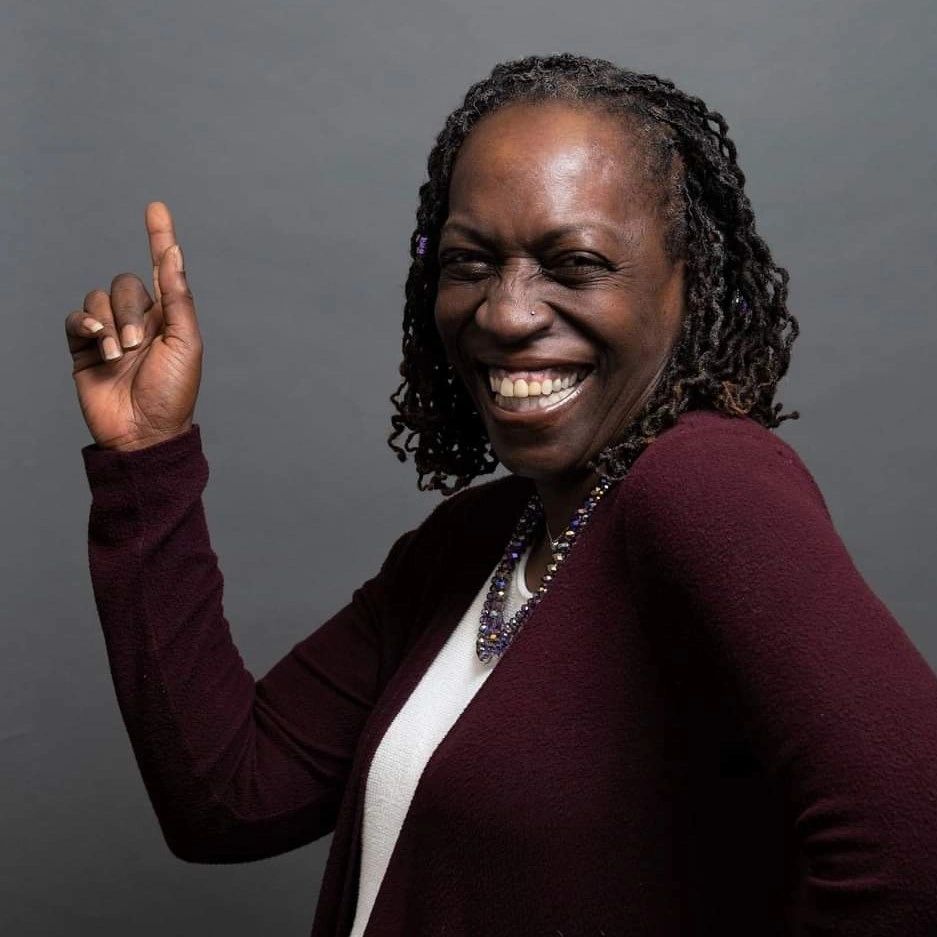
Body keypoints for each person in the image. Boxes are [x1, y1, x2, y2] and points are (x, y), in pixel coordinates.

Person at [66, 54, 937, 936]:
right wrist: (146, 457)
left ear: (689, 280)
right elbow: (228, 798)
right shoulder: (475, 540)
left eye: (576, 263)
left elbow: (916, 851)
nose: (505, 312)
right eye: (470, 262)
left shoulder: (703, 483)